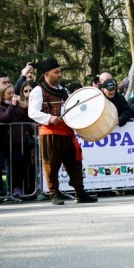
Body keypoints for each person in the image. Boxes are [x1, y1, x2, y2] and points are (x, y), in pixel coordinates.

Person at [27, 58, 98, 205]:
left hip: (66, 132)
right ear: (46, 74)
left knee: (75, 163)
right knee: (51, 165)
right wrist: (49, 118)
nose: (59, 75)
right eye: (56, 72)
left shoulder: (63, 90)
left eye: (60, 72)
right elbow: (32, 112)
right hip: (50, 133)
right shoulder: (38, 90)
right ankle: (54, 193)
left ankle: (80, 192)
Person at [0, 83, 31, 201]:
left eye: (13, 93)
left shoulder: (18, 106)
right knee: (12, 165)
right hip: (7, 141)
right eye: (9, 93)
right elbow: (5, 118)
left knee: (22, 164)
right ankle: (10, 190)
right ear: (2, 95)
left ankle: (21, 189)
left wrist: (26, 109)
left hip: (21, 140)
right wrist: (12, 106)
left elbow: (27, 119)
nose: (12, 95)